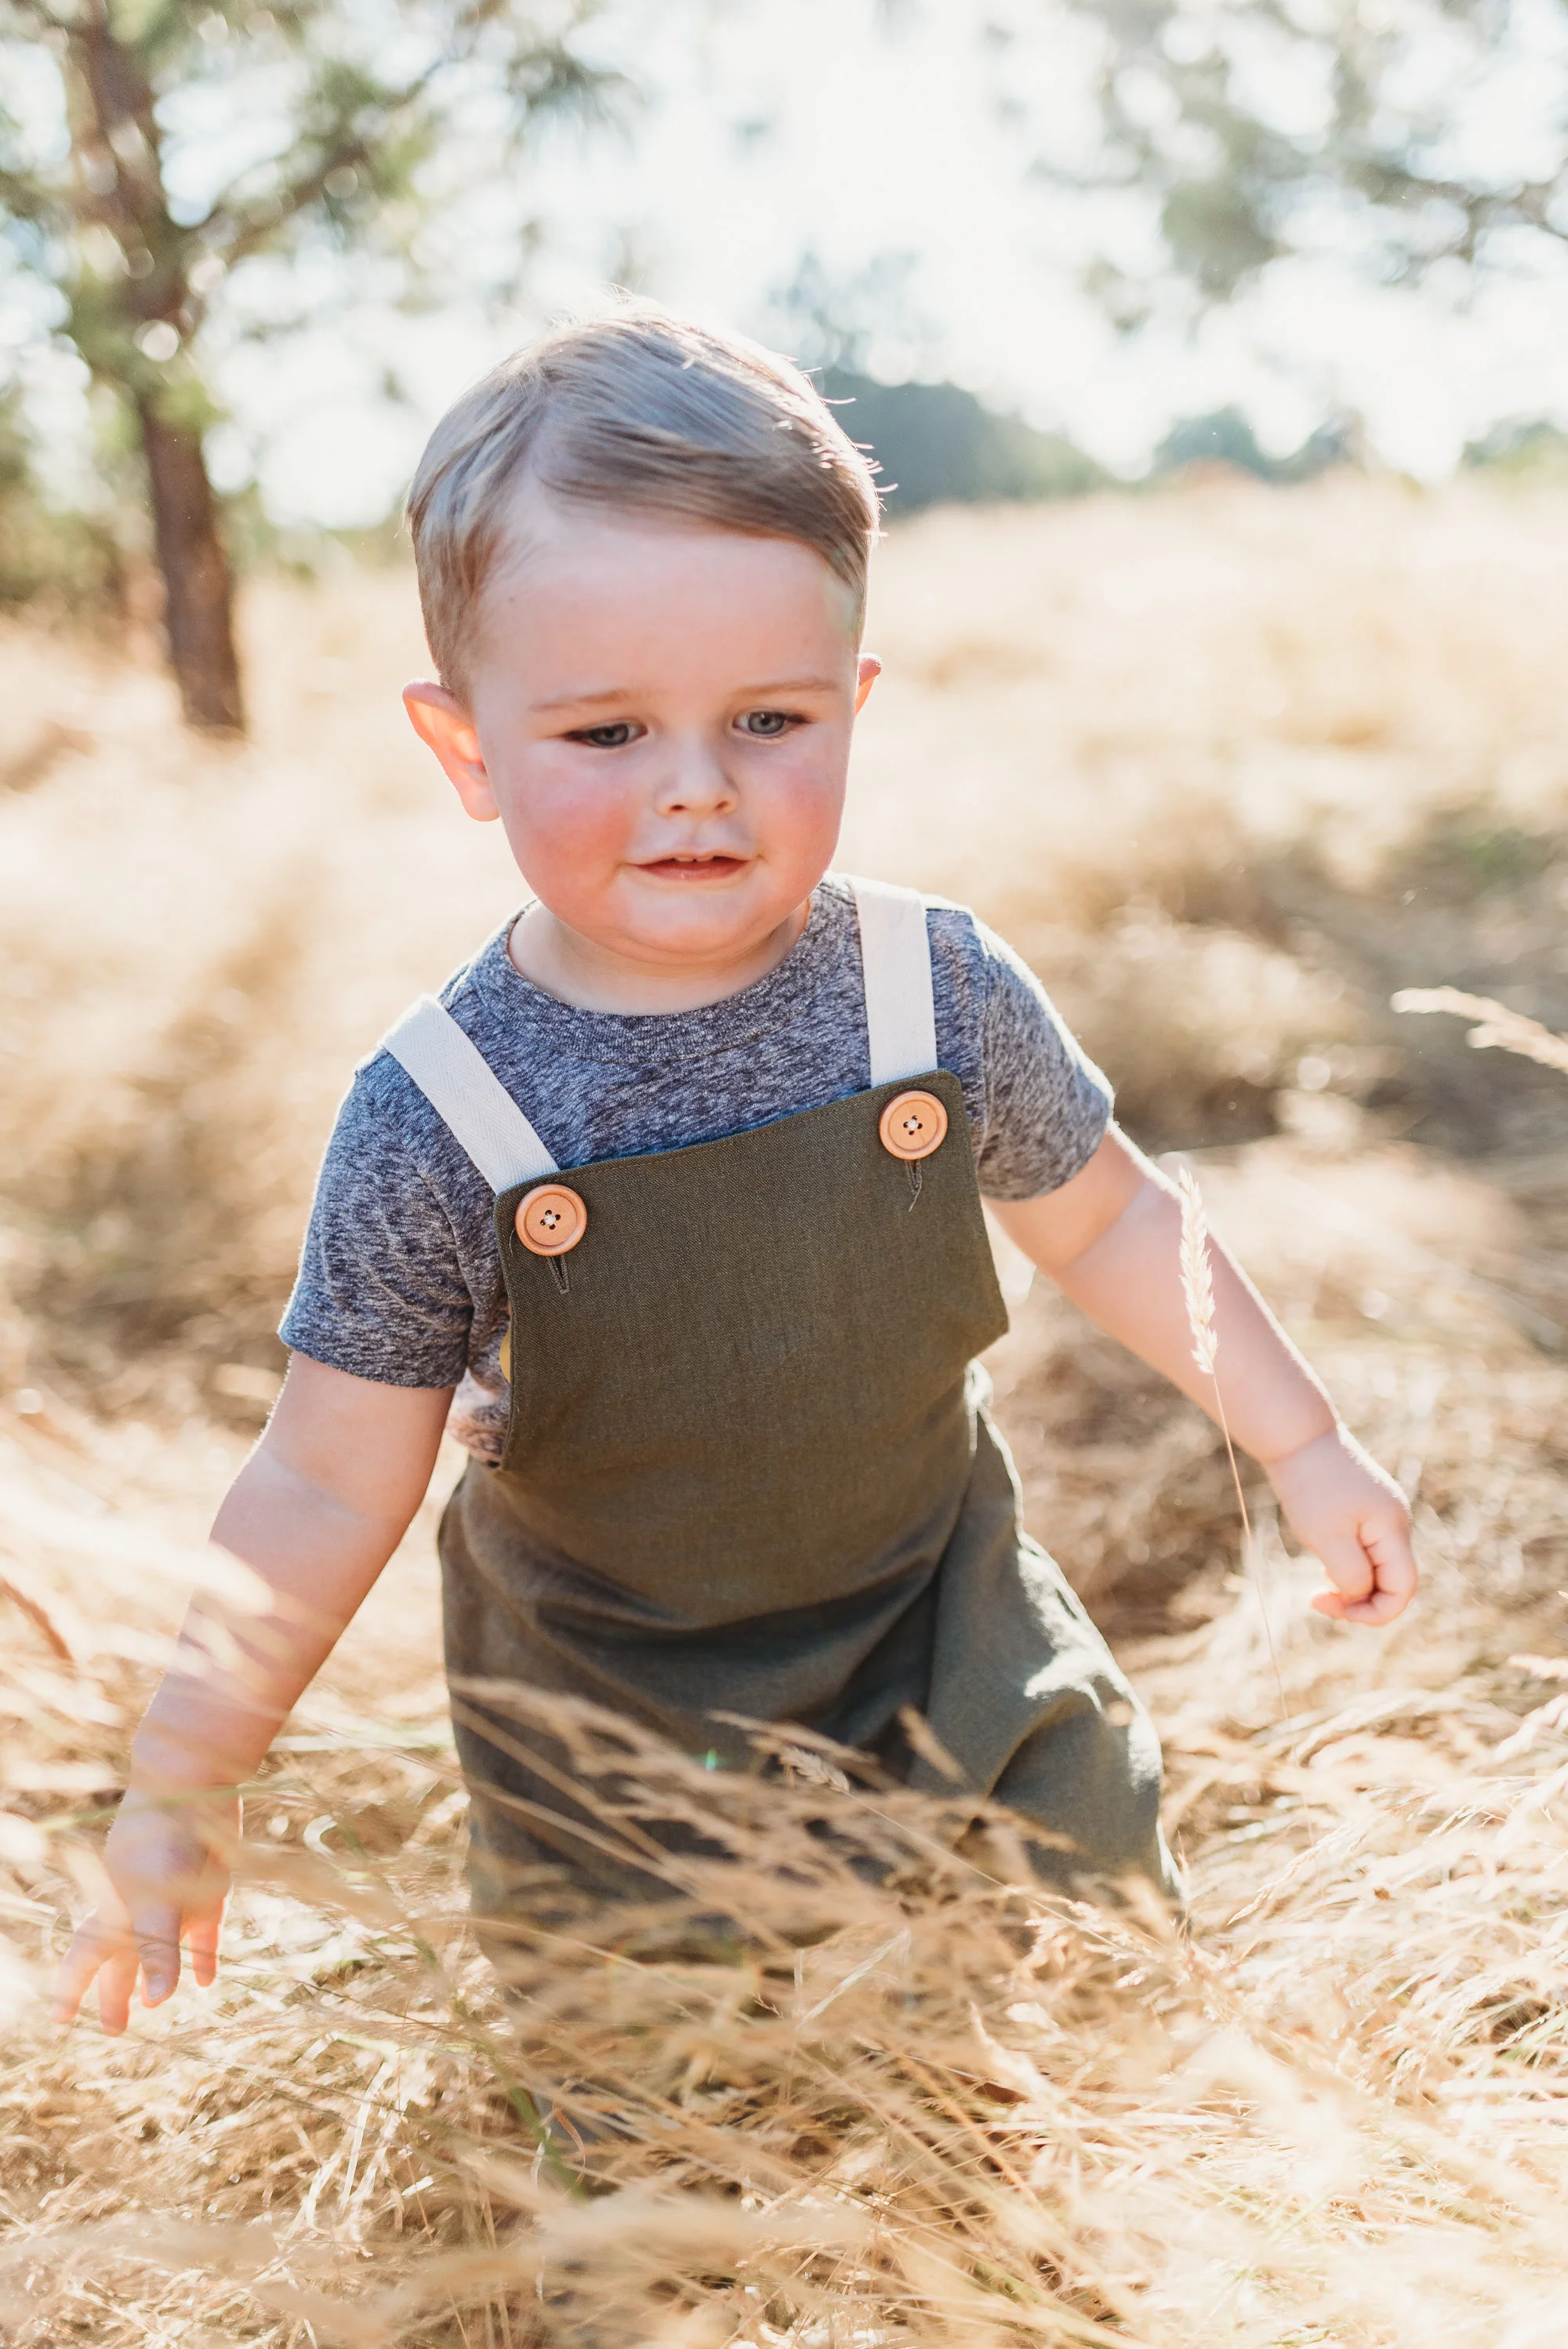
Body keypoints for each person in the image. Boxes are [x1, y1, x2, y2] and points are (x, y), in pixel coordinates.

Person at [54, 305, 1417, 2034]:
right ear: (466, 747)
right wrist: (184, 1777)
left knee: (1014, 1975)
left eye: (767, 718)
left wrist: (1297, 1439)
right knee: (656, 2072)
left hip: (937, 1605)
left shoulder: (934, 994)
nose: (695, 790)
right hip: (615, 1695)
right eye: (606, 734)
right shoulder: (444, 1113)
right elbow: (324, 1482)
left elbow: (1117, 1216)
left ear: (853, 702)